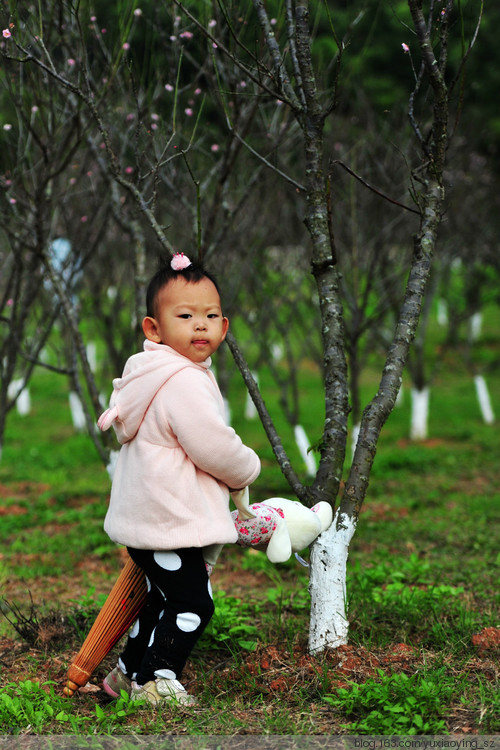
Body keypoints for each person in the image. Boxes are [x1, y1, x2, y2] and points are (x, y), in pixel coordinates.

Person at [97, 252, 260, 706]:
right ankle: (157, 680)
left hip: (152, 516)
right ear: (155, 328)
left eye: (210, 316)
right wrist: (247, 467)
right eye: (185, 316)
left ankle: (125, 677)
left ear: (224, 327)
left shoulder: (151, 373)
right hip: (167, 520)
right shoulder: (182, 381)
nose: (200, 326)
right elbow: (211, 446)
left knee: (160, 600)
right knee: (193, 604)